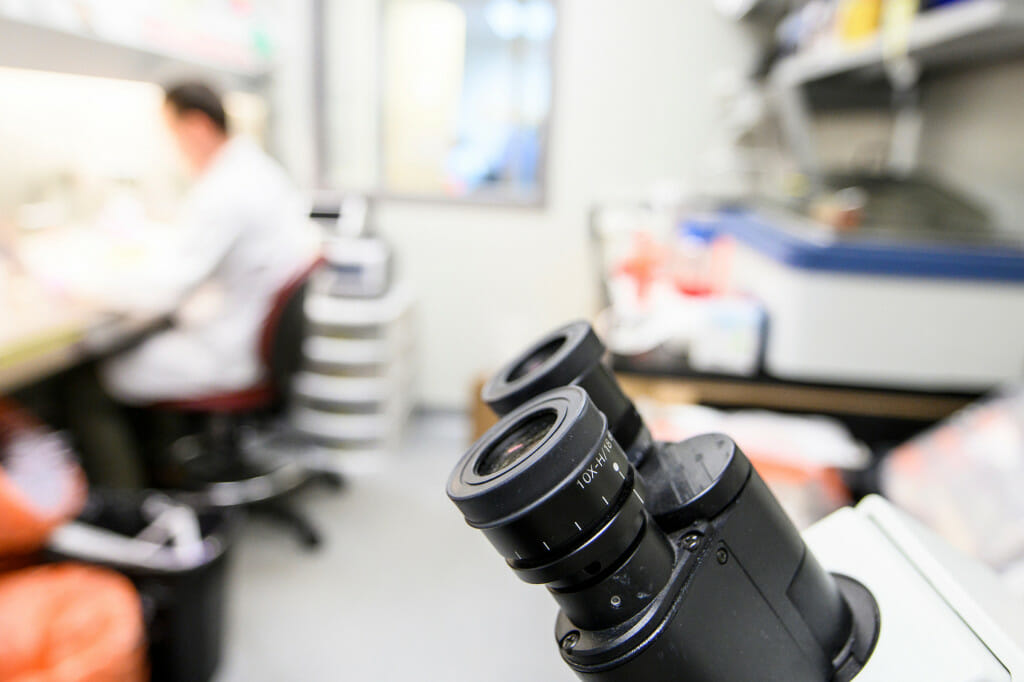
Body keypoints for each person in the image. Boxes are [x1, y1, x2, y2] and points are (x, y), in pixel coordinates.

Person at [68, 81, 318, 487]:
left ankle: (130, 509)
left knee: (88, 384)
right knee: (140, 347)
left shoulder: (226, 189)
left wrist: (88, 288)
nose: (172, 147)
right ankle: (169, 474)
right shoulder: (256, 170)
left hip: (229, 351)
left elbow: (166, 290)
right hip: (248, 338)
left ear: (197, 127)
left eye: (171, 132)